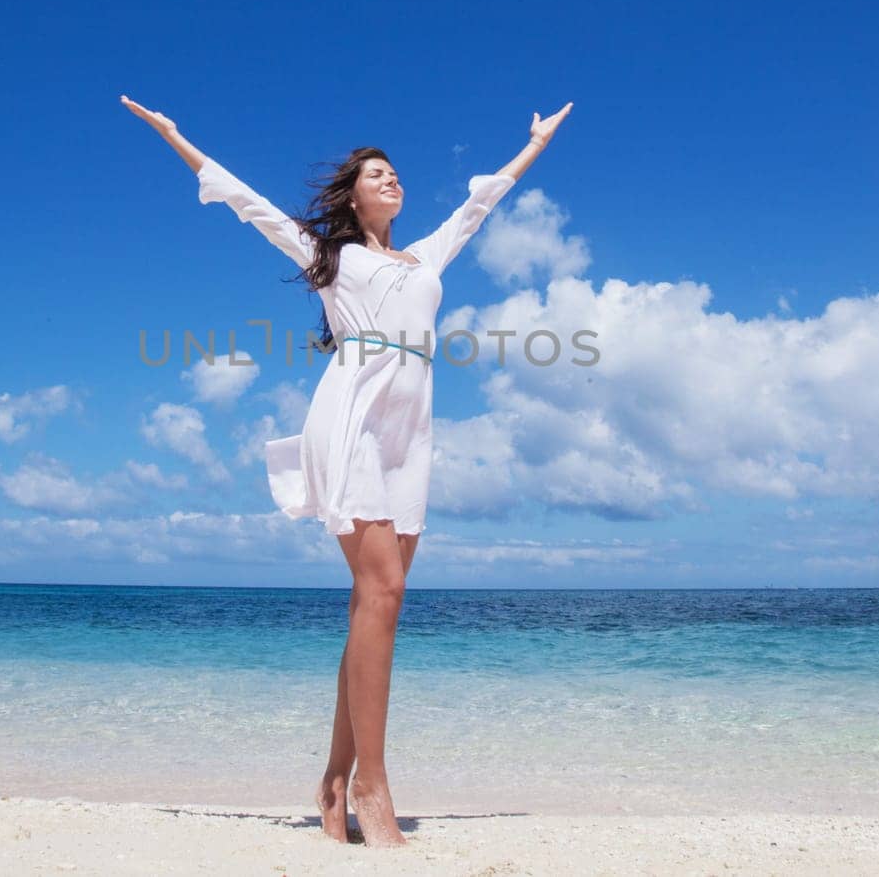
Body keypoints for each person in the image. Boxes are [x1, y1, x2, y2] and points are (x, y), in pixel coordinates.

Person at [121, 93, 572, 846]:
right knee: (383, 589)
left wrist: (535, 145)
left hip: (412, 430)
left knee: (379, 606)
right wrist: (176, 138)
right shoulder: (331, 256)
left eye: (394, 171)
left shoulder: (425, 256)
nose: (390, 179)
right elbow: (250, 204)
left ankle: (333, 778)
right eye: (375, 173)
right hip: (353, 416)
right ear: (352, 194)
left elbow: (482, 204)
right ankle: (372, 782)